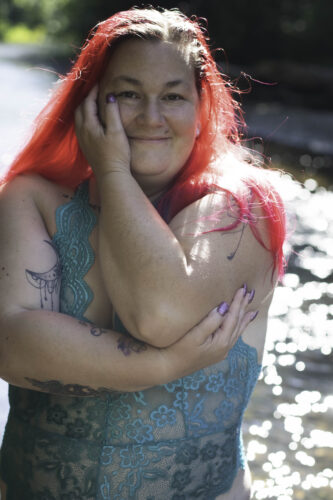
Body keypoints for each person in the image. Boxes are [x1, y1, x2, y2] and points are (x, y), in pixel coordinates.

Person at [0, 7, 286, 500]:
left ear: (200, 112)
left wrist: (112, 171)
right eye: (128, 93)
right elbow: (10, 344)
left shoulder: (243, 206)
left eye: (172, 97)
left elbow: (158, 315)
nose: (150, 117)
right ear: (89, 102)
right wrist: (161, 367)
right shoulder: (31, 197)